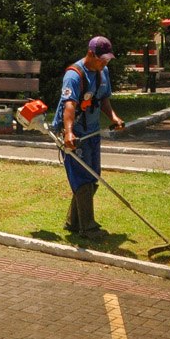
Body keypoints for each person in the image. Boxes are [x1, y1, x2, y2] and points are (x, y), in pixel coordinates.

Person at [51, 35, 125, 239]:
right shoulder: (74, 75)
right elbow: (69, 106)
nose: (106, 62)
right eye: (103, 58)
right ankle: (88, 227)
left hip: (92, 131)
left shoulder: (103, 72)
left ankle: (73, 222)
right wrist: (68, 133)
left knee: (93, 177)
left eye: (108, 59)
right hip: (74, 134)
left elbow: (103, 100)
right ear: (91, 54)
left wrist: (114, 118)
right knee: (82, 178)